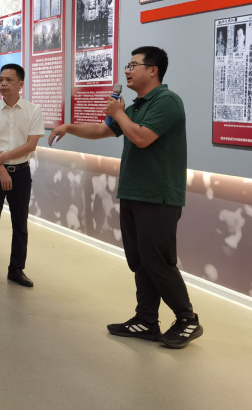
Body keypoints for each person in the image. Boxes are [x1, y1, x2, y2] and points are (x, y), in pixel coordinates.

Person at [48, 46, 203, 349]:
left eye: (133, 65)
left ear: (153, 70)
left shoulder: (167, 101)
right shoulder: (136, 106)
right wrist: (68, 127)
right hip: (133, 192)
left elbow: (142, 138)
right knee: (140, 261)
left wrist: (118, 112)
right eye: (127, 65)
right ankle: (146, 320)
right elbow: (104, 130)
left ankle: (187, 319)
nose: (127, 70)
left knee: (158, 261)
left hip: (158, 196)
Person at [0, 64, 44, 292]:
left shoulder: (33, 110)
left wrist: (4, 157)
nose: (3, 84)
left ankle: (16, 270)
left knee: (20, 224)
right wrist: (2, 170)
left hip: (21, 173)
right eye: (1, 80)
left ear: (21, 84)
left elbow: (31, 144)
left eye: (9, 80)